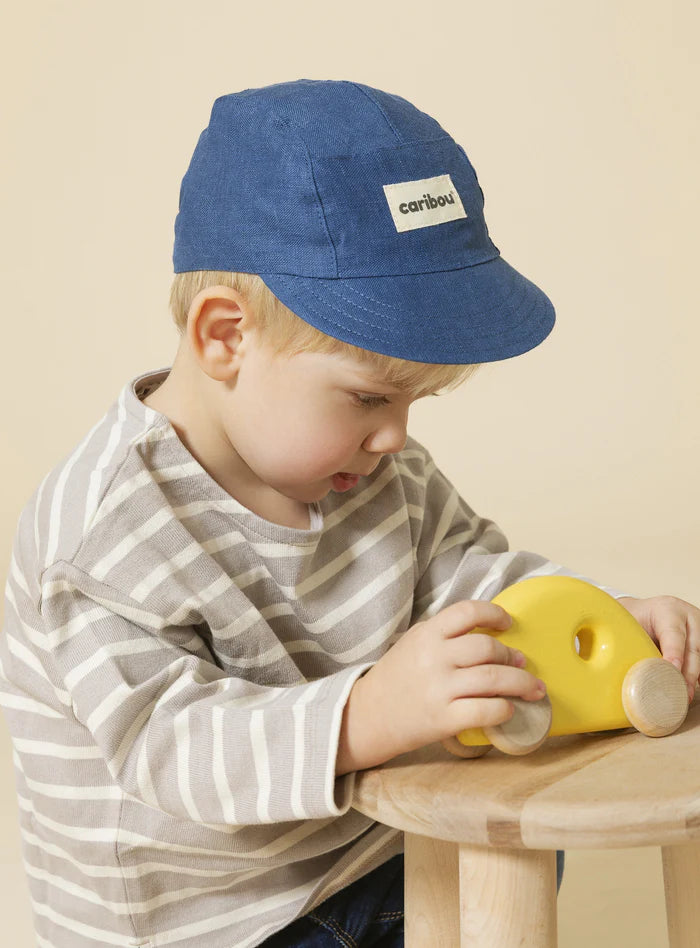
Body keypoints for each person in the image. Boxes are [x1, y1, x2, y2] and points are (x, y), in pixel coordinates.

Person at [1, 79, 698, 948]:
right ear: (225, 337)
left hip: (374, 855)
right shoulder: (102, 534)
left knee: (518, 847)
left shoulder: (371, 471)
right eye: (370, 396)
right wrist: (367, 715)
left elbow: (473, 574)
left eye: (416, 401)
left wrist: (597, 619)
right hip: (220, 923)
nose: (395, 437)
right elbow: (170, 751)